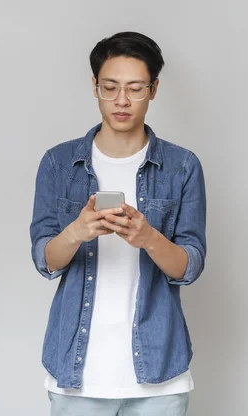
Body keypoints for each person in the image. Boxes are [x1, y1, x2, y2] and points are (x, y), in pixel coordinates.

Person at [30, 31, 206, 416]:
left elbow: (189, 267)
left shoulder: (182, 167)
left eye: (135, 88)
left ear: (154, 89)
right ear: (95, 86)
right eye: (109, 87)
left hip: (159, 375)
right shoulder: (59, 164)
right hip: (77, 373)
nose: (121, 101)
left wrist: (148, 238)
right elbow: (45, 260)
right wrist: (77, 231)